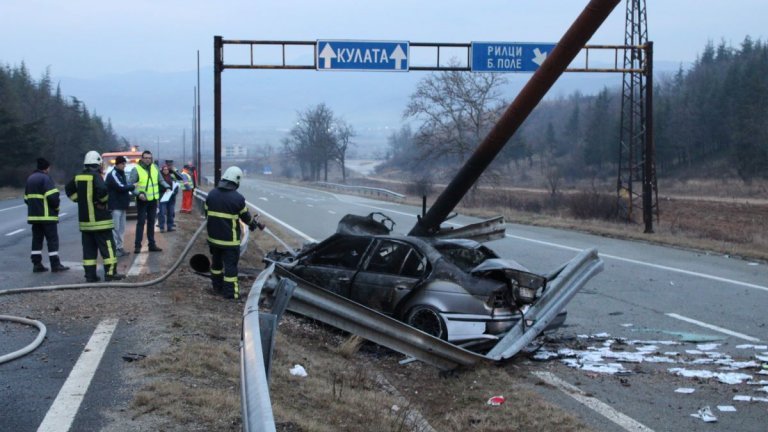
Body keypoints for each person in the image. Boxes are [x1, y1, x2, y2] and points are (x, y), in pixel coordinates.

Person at [205, 166, 264, 299]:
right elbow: (246, 218)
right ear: (236, 180)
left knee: (216, 264)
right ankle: (230, 294)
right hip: (229, 241)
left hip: (213, 239)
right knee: (230, 268)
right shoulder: (237, 198)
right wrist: (253, 224)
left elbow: (206, 214)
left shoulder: (212, 194)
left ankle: (217, 287)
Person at [65, 151, 125, 282]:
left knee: (89, 251)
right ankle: (110, 273)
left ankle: (90, 276)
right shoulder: (96, 176)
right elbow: (103, 191)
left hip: (85, 223)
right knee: (108, 247)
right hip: (100, 221)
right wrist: (102, 201)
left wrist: (79, 199)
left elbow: (68, 189)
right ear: (98, 164)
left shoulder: (78, 177)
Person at [24, 157, 70, 273]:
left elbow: (26, 199)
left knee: (37, 240)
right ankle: (55, 264)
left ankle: (36, 264)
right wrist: (56, 208)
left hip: (34, 217)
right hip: (47, 217)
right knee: (52, 240)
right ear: (47, 168)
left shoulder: (30, 179)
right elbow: (53, 197)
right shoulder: (45, 179)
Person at [129, 150, 163, 253]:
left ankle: (152, 245)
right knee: (141, 222)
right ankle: (137, 246)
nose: (148, 160)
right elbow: (130, 185)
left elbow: (160, 180)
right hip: (142, 200)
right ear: (142, 158)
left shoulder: (155, 168)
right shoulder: (136, 169)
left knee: (151, 222)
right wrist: (139, 194)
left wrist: (167, 186)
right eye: (146, 158)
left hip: (153, 200)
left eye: (149, 158)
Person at [105, 155, 135, 256]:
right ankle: (114, 249)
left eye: (124, 164)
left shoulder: (121, 174)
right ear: (117, 164)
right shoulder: (112, 174)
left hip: (122, 205)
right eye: (122, 164)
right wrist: (132, 186)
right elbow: (120, 187)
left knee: (122, 228)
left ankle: (120, 247)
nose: (124, 165)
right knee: (115, 228)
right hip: (115, 206)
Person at [163, 159, 183, 230]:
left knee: (171, 210)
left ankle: (170, 224)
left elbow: (181, 178)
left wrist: (174, 171)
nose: (169, 166)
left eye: (170, 164)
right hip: (164, 193)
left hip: (173, 193)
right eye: (168, 164)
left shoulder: (175, 170)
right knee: (162, 210)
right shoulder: (163, 170)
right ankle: (161, 223)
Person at [156, 164, 174, 232]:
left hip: (171, 197)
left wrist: (174, 192)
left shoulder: (171, 177)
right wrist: (164, 189)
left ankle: (170, 227)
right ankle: (162, 227)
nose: (166, 171)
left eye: (167, 169)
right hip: (162, 196)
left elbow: (175, 186)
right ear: (162, 170)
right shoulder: (160, 178)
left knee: (171, 212)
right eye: (164, 169)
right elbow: (158, 186)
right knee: (162, 212)